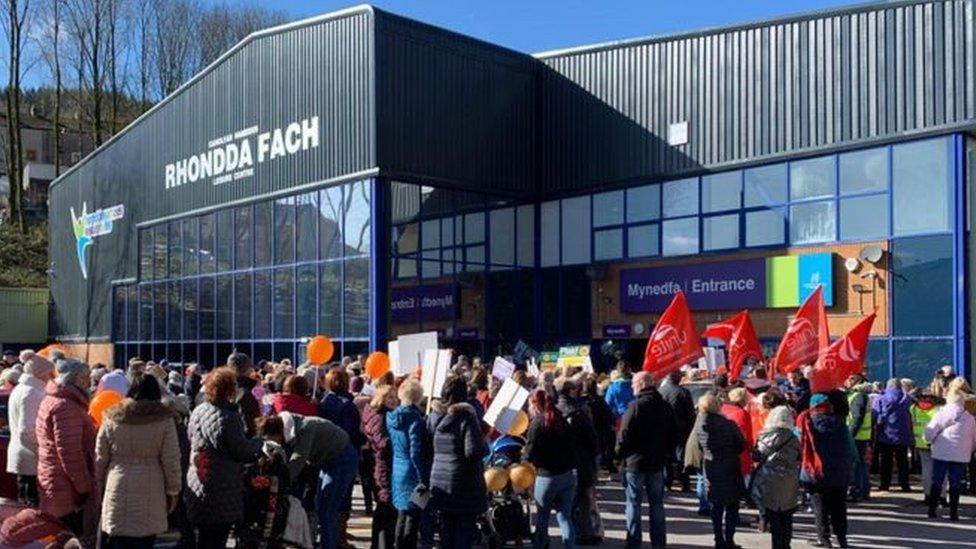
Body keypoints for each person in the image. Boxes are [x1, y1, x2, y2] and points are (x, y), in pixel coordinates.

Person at [95, 375, 181, 548]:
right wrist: (173, 489)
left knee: (117, 536)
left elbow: (100, 456)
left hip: (116, 480)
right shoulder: (164, 419)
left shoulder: (112, 416)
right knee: (144, 538)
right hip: (152, 483)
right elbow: (171, 460)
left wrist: (99, 483)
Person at [185, 367, 265, 548]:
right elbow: (241, 451)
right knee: (217, 538)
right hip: (222, 485)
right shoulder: (229, 417)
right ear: (229, 389)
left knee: (204, 538)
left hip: (198, 479)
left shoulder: (198, 411)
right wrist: (259, 443)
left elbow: (191, 437)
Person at [254, 410, 356, 548]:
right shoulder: (293, 427)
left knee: (327, 510)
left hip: (342, 459)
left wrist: (280, 482)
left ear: (278, 432)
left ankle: (329, 545)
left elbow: (298, 459)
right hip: (327, 461)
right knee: (322, 507)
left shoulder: (305, 428)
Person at [36, 359, 96, 537]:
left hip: (54, 477)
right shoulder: (66, 406)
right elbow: (70, 454)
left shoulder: (54, 399)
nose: (89, 382)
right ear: (74, 379)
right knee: (68, 536)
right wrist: (84, 487)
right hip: (65, 484)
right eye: (85, 377)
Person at [617, 371, 676, 548]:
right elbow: (674, 433)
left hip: (635, 463)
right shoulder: (664, 406)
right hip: (657, 462)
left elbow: (623, 434)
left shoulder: (635, 406)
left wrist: (618, 455)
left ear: (642, 384)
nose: (632, 387)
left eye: (634, 384)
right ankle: (659, 543)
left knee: (634, 504)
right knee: (657, 504)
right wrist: (666, 452)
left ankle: (634, 542)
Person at [429, 376, 488, 549]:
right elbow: (474, 451)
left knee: (446, 530)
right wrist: (484, 441)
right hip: (464, 483)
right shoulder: (466, 418)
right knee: (464, 531)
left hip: (439, 480)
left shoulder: (433, 416)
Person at [525, 388, 578, 549]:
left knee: (542, 517)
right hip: (567, 475)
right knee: (565, 518)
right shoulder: (561, 419)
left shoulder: (537, 424)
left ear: (535, 405)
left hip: (546, 477)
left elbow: (530, 453)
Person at [798, 393, 852, 548]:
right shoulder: (841, 423)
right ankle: (842, 539)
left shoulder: (806, 423)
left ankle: (824, 539)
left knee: (819, 507)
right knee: (839, 506)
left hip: (814, 471)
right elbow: (850, 448)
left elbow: (799, 444)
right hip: (839, 471)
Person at [553, 377, 600, 545]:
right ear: (571, 391)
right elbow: (592, 440)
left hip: (562, 463)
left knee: (568, 501)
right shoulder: (577, 412)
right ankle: (584, 533)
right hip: (581, 462)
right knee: (583, 498)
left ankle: (572, 534)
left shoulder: (553, 412)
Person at [7, 353, 54, 507]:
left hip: (23, 456)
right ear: (41, 373)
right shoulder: (32, 393)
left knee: (25, 504)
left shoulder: (22, 389)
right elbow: (26, 432)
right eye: (49, 373)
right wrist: (43, 452)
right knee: (31, 506)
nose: (51, 376)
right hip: (30, 459)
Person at [923, 384, 976, 521]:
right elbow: (974, 438)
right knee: (955, 483)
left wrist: (928, 440)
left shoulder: (941, 413)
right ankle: (953, 513)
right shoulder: (970, 418)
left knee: (938, 481)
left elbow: (930, 431)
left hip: (942, 452)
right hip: (961, 454)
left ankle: (932, 510)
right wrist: (969, 450)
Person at [387, 379, 429, 549]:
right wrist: (423, 478)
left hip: (397, 469)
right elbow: (415, 452)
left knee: (402, 513)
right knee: (413, 516)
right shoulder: (416, 420)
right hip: (413, 471)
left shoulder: (391, 417)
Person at [750, 406, 800, 549]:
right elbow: (798, 457)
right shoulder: (794, 438)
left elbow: (756, 456)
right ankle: (786, 544)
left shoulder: (764, 436)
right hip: (789, 478)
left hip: (769, 477)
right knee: (787, 515)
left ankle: (777, 544)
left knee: (774, 515)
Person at [363, 385, 397, 549]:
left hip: (381, 465)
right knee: (386, 509)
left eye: (395, 397)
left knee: (383, 509)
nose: (394, 401)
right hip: (383, 466)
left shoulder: (378, 414)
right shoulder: (380, 416)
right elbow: (382, 443)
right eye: (390, 398)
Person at [873, 378, 913, 492]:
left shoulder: (881, 398)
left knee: (886, 461)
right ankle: (905, 484)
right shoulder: (907, 398)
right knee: (902, 460)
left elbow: (876, 415)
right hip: (903, 435)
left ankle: (885, 484)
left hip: (886, 433)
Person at [659, 369, 695, 492]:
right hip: (681, 430)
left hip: (664, 429)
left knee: (666, 457)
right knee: (681, 457)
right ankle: (684, 482)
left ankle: (666, 482)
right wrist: (691, 428)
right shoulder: (683, 392)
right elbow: (690, 414)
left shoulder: (660, 392)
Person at [912, 381, 945, 510]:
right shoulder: (938, 410)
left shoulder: (913, 409)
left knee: (926, 471)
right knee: (941, 471)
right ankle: (942, 497)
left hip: (920, 442)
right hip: (937, 442)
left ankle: (927, 495)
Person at [845, 375, 873, 502]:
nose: (846, 381)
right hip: (861, 435)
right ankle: (863, 490)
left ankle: (857, 491)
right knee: (860, 464)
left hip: (857, 436)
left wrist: (850, 435)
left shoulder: (858, 396)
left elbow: (856, 418)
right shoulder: (858, 395)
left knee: (856, 465)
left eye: (850, 378)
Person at [721, 388, 753, 484]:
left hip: (724, 450)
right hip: (739, 452)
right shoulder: (742, 413)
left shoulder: (723, 409)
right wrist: (751, 449)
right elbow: (746, 436)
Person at [226, 352, 261, 437]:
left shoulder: (223, 390)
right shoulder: (245, 394)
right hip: (241, 445)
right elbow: (250, 428)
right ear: (249, 369)